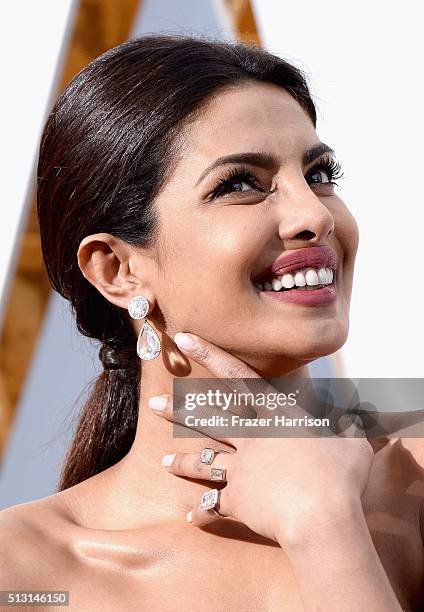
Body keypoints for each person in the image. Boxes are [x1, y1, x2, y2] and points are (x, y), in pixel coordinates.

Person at [0, 34, 422, 611]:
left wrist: (326, 528)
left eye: (321, 173)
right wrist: (317, 517)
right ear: (119, 269)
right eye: (240, 183)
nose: (315, 215)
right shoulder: (21, 570)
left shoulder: (413, 474)